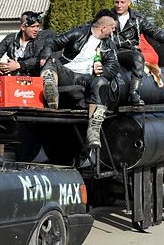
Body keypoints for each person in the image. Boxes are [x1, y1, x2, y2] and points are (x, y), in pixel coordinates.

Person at [39, 15, 120, 147]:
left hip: (86, 78)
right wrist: (46, 52)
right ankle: (50, 91)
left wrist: (103, 70)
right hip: (67, 73)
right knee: (50, 60)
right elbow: (52, 42)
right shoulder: (79, 33)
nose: (113, 32)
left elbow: (114, 66)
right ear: (103, 28)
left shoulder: (109, 45)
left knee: (101, 82)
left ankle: (93, 130)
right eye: (112, 29)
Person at [0, 11, 48, 76]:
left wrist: (18, 65)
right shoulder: (10, 39)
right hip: (12, 76)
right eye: (33, 26)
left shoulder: (40, 40)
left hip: (33, 77)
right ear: (23, 27)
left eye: (37, 26)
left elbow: (38, 59)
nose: (36, 30)